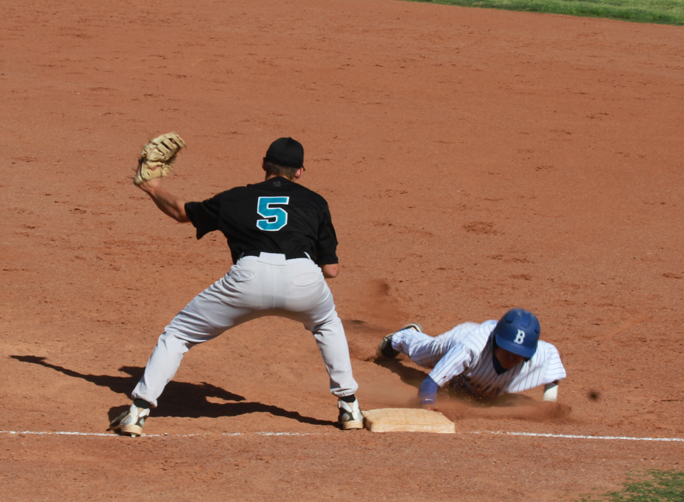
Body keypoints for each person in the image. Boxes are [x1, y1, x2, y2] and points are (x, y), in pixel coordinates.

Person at [110, 137, 364, 436]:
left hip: (248, 278)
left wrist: (152, 187)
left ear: (264, 164)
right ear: (299, 172)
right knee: (326, 324)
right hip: (303, 278)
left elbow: (181, 212)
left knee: (178, 334)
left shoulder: (235, 198)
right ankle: (349, 406)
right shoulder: (316, 202)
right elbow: (331, 271)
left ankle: (138, 411)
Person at [376, 308, 565, 407]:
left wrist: (549, 403)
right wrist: (427, 404)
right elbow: (430, 383)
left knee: (468, 389)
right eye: (507, 350)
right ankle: (402, 337)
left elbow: (552, 364)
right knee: (423, 352)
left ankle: (460, 380)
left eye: (519, 354)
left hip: (474, 364)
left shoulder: (542, 353)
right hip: (458, 340)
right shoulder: (470, 346)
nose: (512, 357)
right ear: (496, 342)